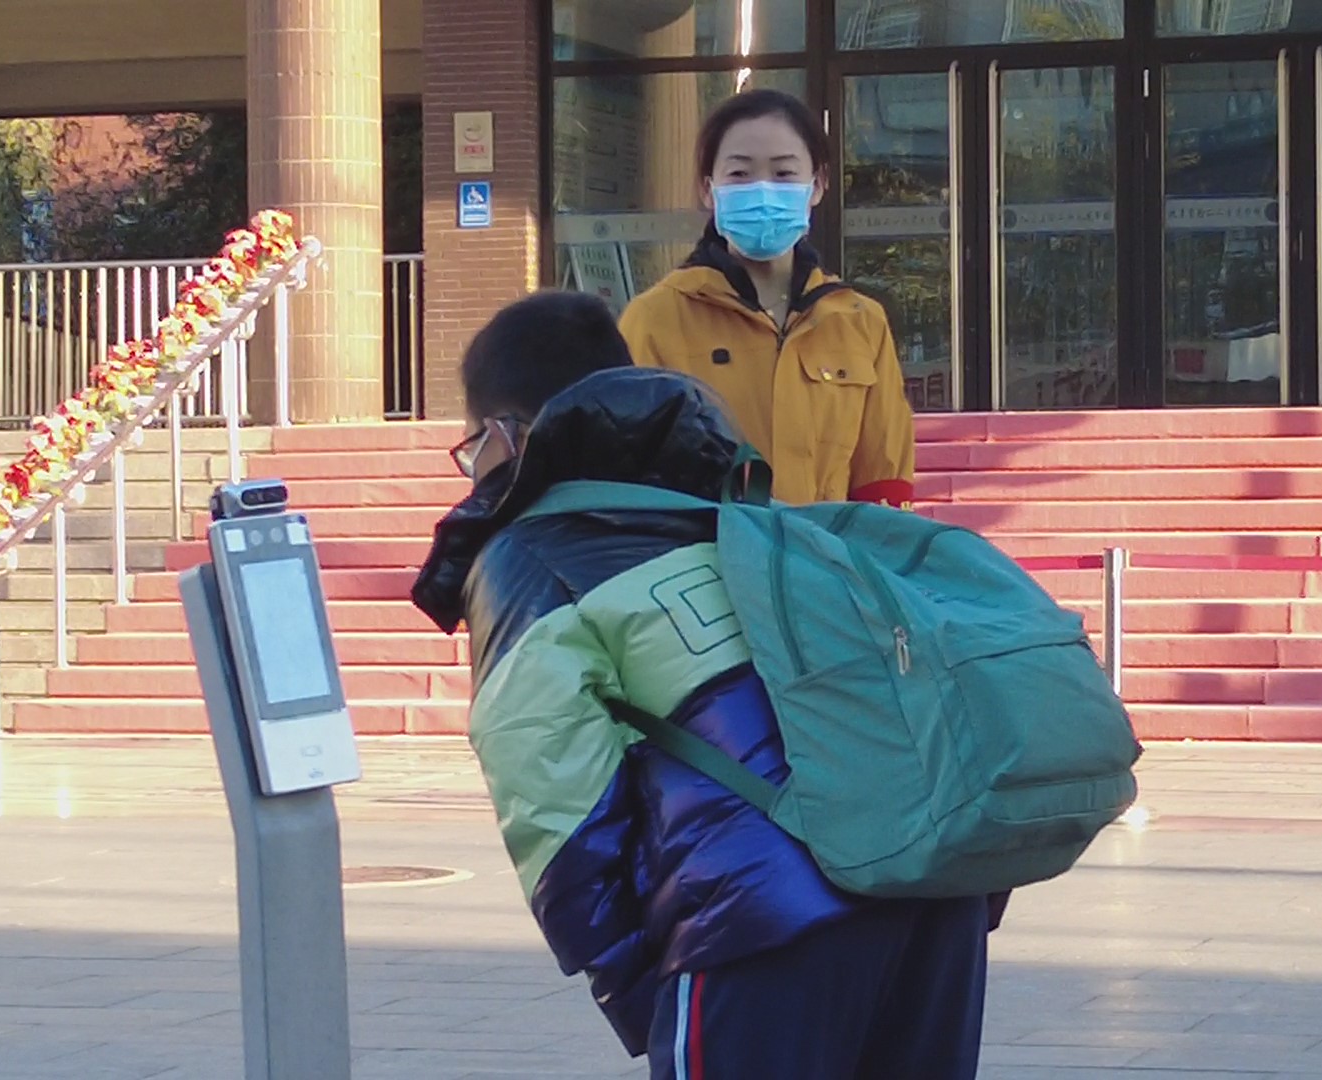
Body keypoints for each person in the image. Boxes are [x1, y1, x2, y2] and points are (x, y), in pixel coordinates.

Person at [412, 290, 994, 1079]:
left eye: (471, 446)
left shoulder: (529, 555)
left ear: (507, 437)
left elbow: (556, 806)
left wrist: (645, 990)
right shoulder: (742, 511)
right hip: (933, 896)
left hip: (761, 917)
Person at [618, 88, 916, 508]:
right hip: (708, 548)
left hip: (824, 548)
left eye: (783, 173)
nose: (762, 191)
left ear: (818, 185)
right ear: (708, 189)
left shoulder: (860, 322)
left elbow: (883, 481)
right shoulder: (654, 319)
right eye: (740, 173)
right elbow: (630, 475)